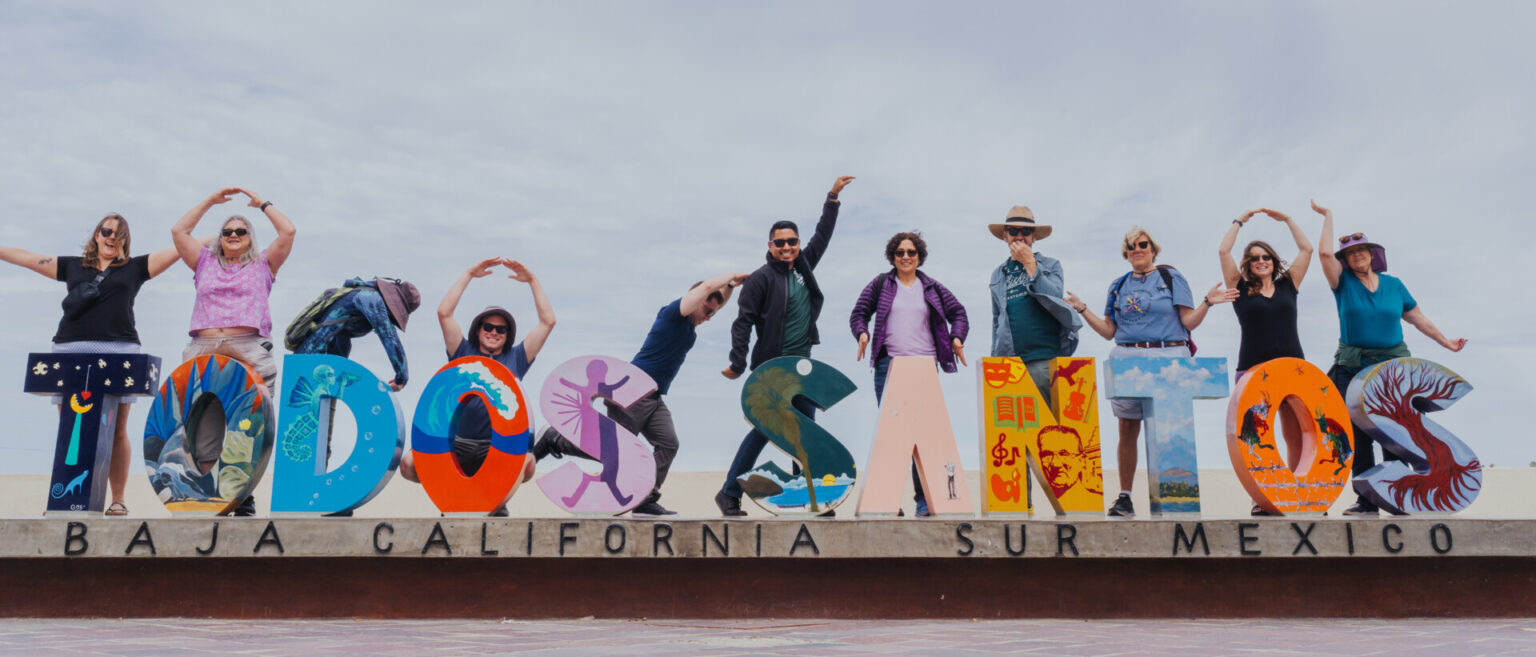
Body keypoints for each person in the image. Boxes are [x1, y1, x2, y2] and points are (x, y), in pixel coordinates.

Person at [1, 214, 181, 516]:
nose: (111, 237)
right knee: (71, 426)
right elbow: (29, 258)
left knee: (117, 429)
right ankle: (65, 498)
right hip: (70, 349)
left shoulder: (135, 268)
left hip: (120, 350)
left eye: (119, 234)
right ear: (96, 235)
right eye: (106, 231)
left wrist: (216, 237)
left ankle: (118, 499)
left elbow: (181, 247)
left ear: (125, 241)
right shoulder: (72, 266)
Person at [1064, 226, 1237, 518]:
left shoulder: (1171, 278)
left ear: (1153, 249)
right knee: (1127, 427)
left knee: (1172, 426)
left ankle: (1176, 498)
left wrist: (1207, 303)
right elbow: (1108, 331)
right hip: (1128, 357)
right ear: (1126, 253)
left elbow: (1189, 321)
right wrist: (1082, 308)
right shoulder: (1118, 285)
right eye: (1131, 246)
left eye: (1143, 244)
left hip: (1168, 354)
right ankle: (1125, 498)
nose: (1137, 250)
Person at [1315, 201, 1467, 516]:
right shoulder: (1342, 283)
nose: (1357, 255)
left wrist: (1446, 342)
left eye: (1362, 250)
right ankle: (1367, 501)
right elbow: (1325, 254)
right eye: (1351, 253)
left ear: (1373, 255)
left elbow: (1417, 317)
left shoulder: (1394, 285)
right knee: (1359, 436)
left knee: (1396, 433)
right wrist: (1328, 216)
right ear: (1346, 260)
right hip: (1352, 368)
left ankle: (1399, 496)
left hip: (1393, 370)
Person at [716, 175, 855, 517]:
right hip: (774, 370)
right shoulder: (760, 279)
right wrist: (737, 363)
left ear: (798, 243)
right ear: (770, 245)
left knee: (804, 435)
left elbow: (823, 235)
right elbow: (742, 323)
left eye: (792, 241)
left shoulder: (803, 268)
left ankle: (811, 498)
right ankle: (729, 493)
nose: (787, 247)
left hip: (803, 370)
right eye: (780, 243)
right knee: (766, 431)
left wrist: (832, 198)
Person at [172, 187, 297, 517]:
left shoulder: (263, 264)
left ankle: (243, 495)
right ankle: (211, 494)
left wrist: (262, 204)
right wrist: (209, 201)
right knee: (203, 420)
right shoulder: (204, 262)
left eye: (241, 231)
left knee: (249, 423)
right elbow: (179, 232)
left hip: (248, 346)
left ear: (250, 237)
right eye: (227, 231)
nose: (233, 235)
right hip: (204, 348)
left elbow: (288, 231)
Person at [399, 257, 554, 505]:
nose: (494, 332)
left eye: (501, 329)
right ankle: (454, 499)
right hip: (456, 444)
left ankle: (497, 504)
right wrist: (469, 273)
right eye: (488, 326)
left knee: (528, 464)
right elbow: (444, 313)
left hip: (494, 447)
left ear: (507, 336)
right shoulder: (462, 352)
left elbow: (548, 322)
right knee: (408, 465)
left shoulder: (516, 358)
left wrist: (532, 280)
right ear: (478, 329)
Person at [849, 231, 968, 517]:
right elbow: (859, 313)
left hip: (924, 367)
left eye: (911, 252)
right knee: (892, 435)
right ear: (892, 256)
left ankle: (924, 502)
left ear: (919, 256)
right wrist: (862, 333)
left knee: (923, 436)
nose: (905, 257)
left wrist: (957, 337)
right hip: (888, 366)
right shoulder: (881, 284)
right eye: (900, 252)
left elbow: (959, 313)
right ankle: (887, 503)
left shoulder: (932, 287)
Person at [1218, 207, 1314, 516]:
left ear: (1273, 260)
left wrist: (1288, 220)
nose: (1261, 261)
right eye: (1254, 258)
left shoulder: (1289, 285)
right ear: (1247, 265)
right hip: (1253, 371)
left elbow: (1307, 249)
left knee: (1296, 435)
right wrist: (1240, 220)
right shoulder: (1240, 288)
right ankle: (1263, 497)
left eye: (1266, 257)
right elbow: (1223, 250)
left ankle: (1298, 493)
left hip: (1292, 370)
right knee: (1257, 438)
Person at [292, 277, 422, 391]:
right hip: (309, 358)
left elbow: (340, 338)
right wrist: (402, 377)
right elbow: (388, 336)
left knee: (328, 398)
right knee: (303, 404)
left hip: (321, 363)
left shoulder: (364, 299)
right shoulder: (371, 298)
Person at [1038, 424, 1095, 508]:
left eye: (1064, 454)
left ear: (1081, 459)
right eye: (1047, 455)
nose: (1055, 464)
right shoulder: (1041, 505)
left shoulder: (1092, 503)